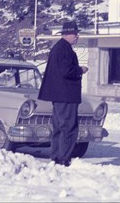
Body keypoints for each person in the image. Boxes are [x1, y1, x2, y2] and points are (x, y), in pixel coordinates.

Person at [38, 21, 89, 166]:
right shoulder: (64, 49)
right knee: (68, 126)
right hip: (66, 94)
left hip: (59, 95)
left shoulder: (59, 48)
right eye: (75, 33)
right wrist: (81, 70)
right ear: (66, 34)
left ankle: (56, 156)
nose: (77, 36)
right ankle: (63, 158)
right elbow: (67, 71)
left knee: (59, 126)